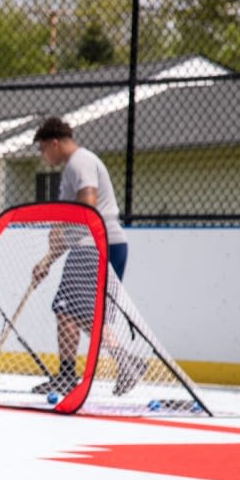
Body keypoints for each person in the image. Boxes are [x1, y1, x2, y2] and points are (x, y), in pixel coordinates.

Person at [30, 116, 143, 396]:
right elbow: (69, 223)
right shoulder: (72, 167)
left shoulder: (80, 162)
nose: (44, 157)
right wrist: (48, 260)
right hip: (96, 245)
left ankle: (123, 362)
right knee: (74, 311)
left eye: (43, 149)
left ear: (54, 143)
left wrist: (60, 232)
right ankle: (87, 370)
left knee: (67, 308)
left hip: (94, 246)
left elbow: (87, 204)